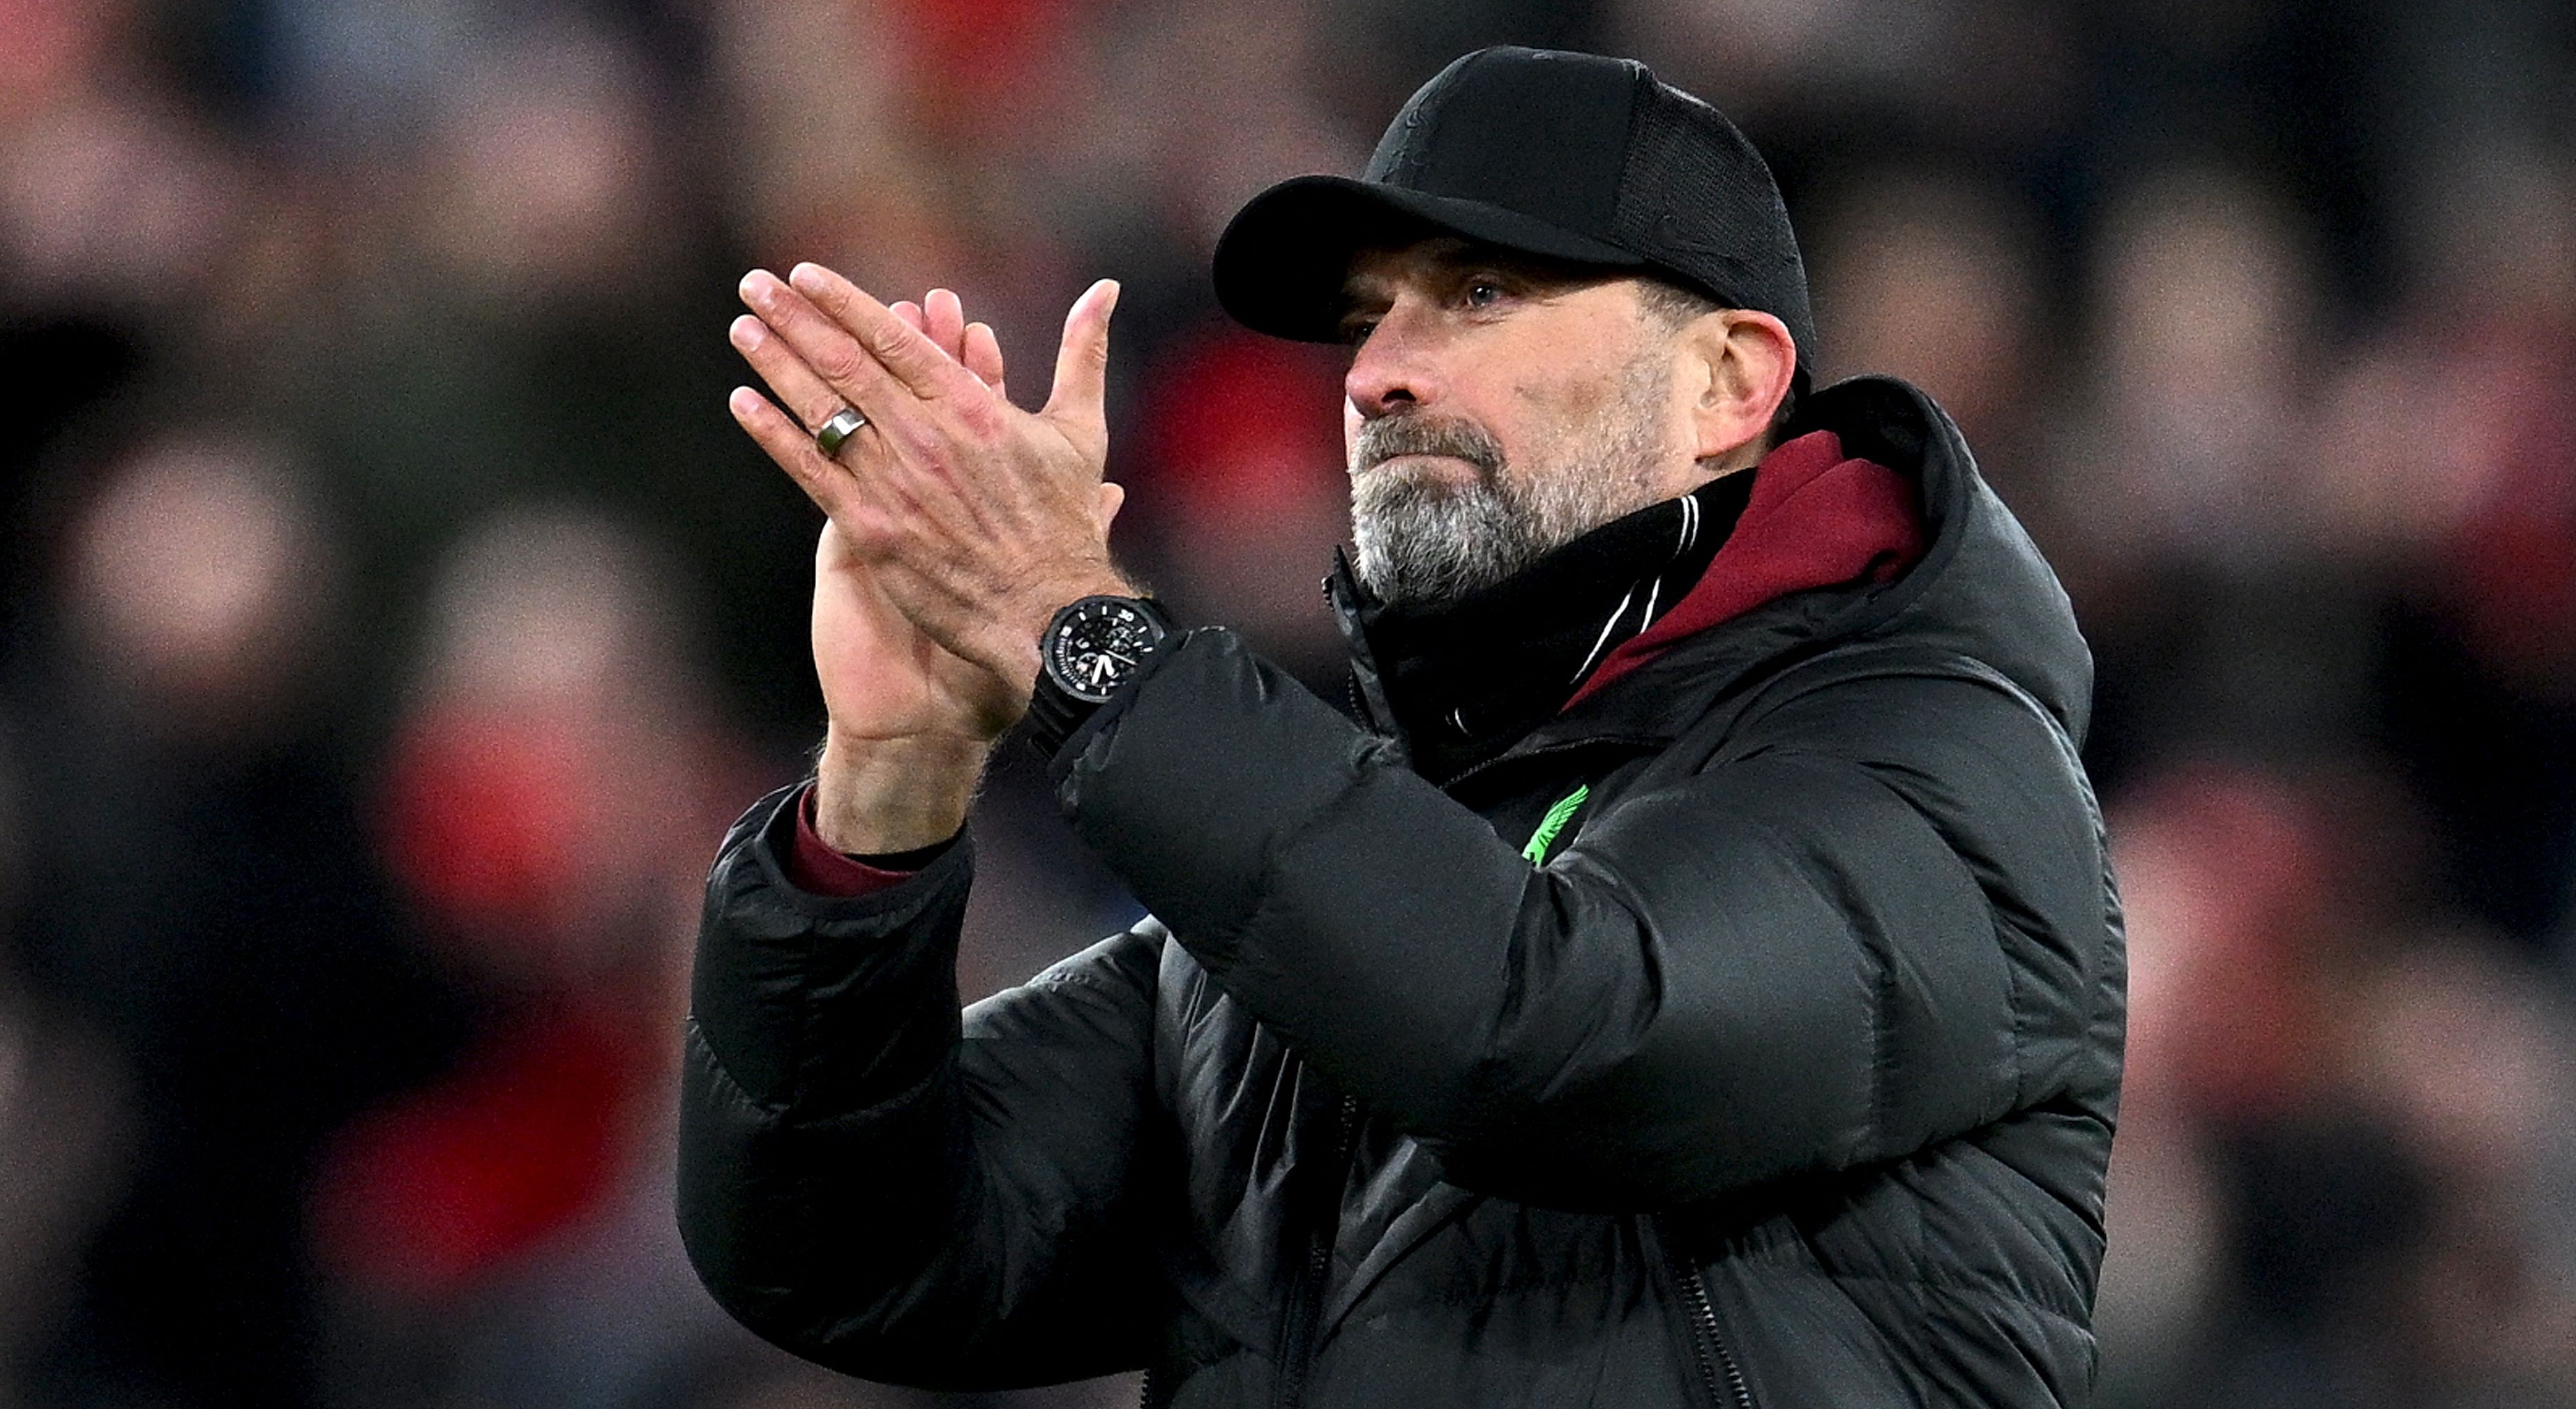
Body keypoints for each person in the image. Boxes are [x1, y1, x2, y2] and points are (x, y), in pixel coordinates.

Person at [679, 46, 2124, 1409]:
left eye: (1479, 294)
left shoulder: (1941, 764)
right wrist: (890, 774)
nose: (1374, 374)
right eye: (1369, 317)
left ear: (1726, 381)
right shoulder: (1320, 900)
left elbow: (1561, 1040)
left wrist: (1085, 637)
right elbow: (846, 1253)